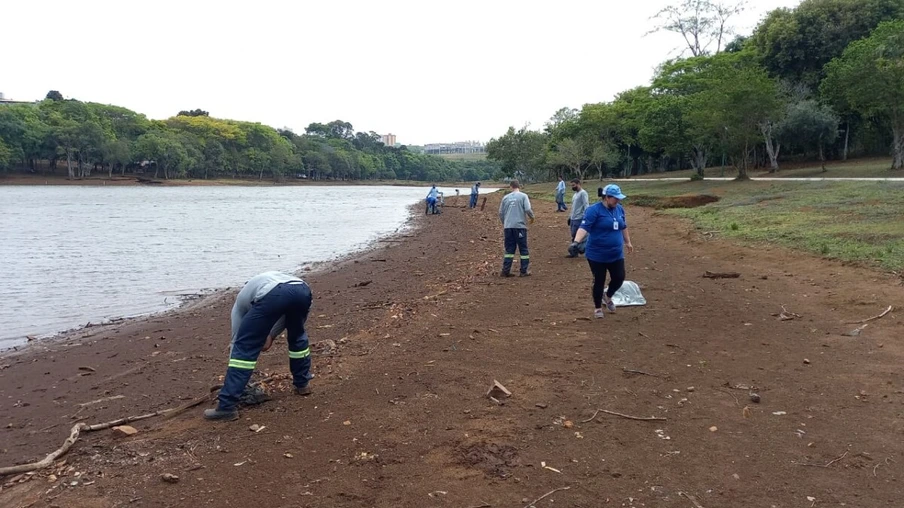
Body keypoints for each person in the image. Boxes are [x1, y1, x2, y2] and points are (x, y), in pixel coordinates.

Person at [204, 271, 313, 421]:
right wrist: (270, 336)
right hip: (302, 290)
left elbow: (238, 342)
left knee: (244, 347)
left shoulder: (240, 305)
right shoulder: (264, 282)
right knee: (297, 337)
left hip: (275, 293)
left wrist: (269, 336)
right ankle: (303, 384)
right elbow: (286, 317)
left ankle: (226, 406)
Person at [571, 184, 634, 318]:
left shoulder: (619, 210)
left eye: (619, 198)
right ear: (606, 197)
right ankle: (598, 307)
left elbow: (623, 226)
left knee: (619, 277)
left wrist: (627, 242)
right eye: (615, 198)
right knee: (599, 280)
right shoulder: (593, 210)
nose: (618, 201)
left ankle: (608, 295)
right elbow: (584, 227)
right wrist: (576, 241)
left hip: (616, 253)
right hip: (597, 254)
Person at [498, 179, 535, 277]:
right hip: (519, 226)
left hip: (508, 226)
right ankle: (523, 271)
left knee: (509, 249)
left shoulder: (505, 198)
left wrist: (505, 223)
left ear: (511, 187)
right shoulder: (523, 196)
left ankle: (505, 271)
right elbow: (527, 209)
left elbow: (501, 213)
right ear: (519, 186)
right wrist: (532, 217)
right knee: (523, 249)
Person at [567, 178, 589, 257]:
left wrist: (586, 217)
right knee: (573, 235)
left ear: (578, 184)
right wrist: (570, 217)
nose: (572, 187)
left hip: (579, 217)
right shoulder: (575, 194)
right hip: (574, 217)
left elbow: (586, 205)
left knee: (579, 235)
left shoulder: (583, 193)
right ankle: (574, 252)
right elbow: (573, 207)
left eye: (574, 185)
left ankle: (582, 249)